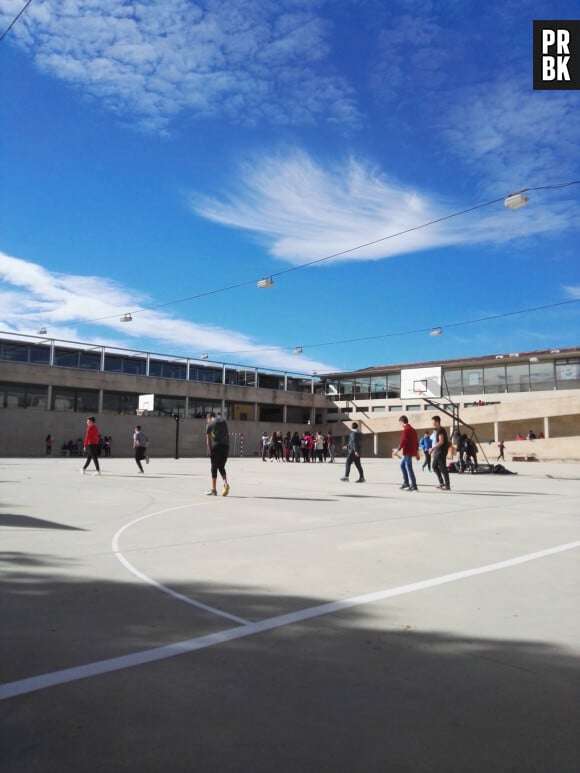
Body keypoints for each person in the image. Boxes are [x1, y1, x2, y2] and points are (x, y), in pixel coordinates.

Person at [206, 411, 230, 496]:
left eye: (207, 419)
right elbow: (227, 435)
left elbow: (208, 440)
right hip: (226, 447)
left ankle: (214, 489)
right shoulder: (223, 422)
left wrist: (210, 451)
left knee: (214, 467)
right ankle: (225, 484)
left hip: (216, 447)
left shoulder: (209, 424)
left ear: (209, 417)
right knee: (221, 466)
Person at [394, 415, 419, 491]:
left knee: (409, 467)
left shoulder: (406, 430)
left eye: (400, 423)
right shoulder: (413, 430)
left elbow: (403, 441)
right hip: (410, 451)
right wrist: (417, 452)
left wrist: (397, 450)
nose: (400, 425)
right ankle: (406, 483)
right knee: (402, 465)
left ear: (402, 422)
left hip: (407, 451)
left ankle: (414, 485)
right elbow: (416, 442)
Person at [429, 415, 450, 491]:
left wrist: (432, 448)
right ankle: (442, 483)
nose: (432, 423)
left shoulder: (441, 430)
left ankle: (447, 485)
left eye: (433, 421)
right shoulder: (438, 430)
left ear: (437, 422)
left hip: (441, 451)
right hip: (438, 451)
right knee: (434, 466)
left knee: (442, 467)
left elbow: (441, 442)